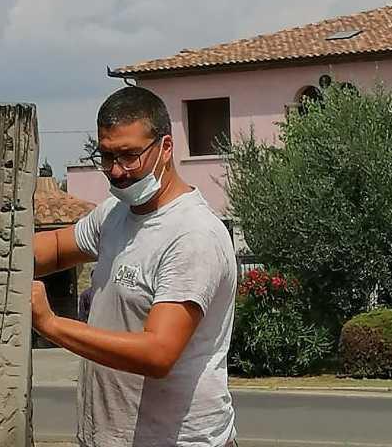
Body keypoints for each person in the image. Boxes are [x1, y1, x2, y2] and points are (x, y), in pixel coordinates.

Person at [31, 86, 238, 447]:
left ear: (166, 147)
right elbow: (58, 248)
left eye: (129, 156)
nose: (117, 171)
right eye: (107, 156)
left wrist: (50, 324)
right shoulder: (116, 214)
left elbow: (158, 353)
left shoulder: (192, 235)